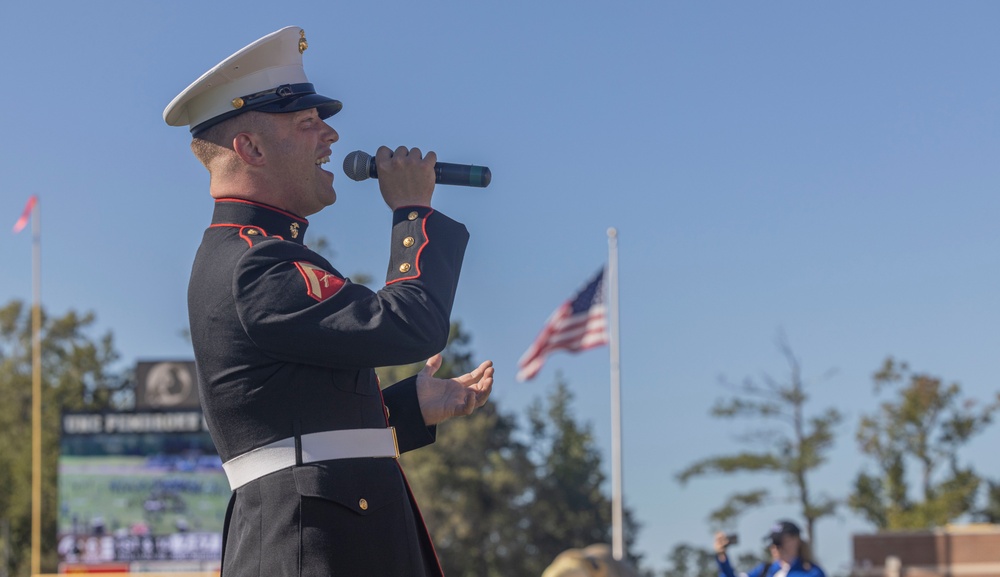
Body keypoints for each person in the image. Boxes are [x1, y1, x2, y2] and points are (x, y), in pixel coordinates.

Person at [163, 26, 493, 576]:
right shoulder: (255, 264)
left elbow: (296, 424)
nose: (331, 137)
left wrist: (410, 407)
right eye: (307, 123)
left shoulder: (259, 256)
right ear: (250, 147)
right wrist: (412, 212)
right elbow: (413, 325)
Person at [714, 521, 824, 577]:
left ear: (795, 540)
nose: (774, 547)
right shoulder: (765, 570)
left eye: (778, 541)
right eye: (772, 542)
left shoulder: (812, 572)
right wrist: (722, 556)